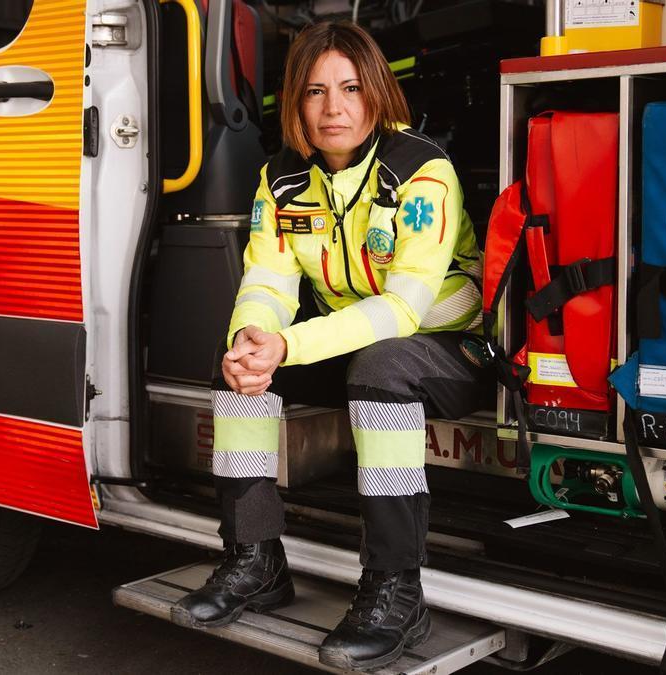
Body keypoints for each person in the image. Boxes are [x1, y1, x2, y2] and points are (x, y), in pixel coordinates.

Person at [170, 21, 491, 671]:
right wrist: (253, 341)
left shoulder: (420, 171)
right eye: (315, 91)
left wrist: (287, 344)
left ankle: (396, 587)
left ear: (375, 92)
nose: (334, 107)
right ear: (296, 102)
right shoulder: (285, 182)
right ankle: (254, 558)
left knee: (381, 363)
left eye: (349, 88)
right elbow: (266, 280)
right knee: (235, 369)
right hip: (351, 340)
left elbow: (404, 309)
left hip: (448, 348)